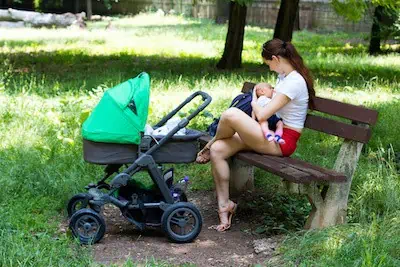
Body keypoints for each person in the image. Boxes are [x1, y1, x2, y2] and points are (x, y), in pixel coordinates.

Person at [195, 38, 315, 232]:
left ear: (276, 59)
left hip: (281, 141)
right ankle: (225, 206)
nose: (269, 68)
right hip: (268, 132)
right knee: (218, 150)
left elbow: (262, 114)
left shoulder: (294, 82)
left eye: (268, 63)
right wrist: (258, 103)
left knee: (230, 114)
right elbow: (262, 113)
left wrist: (254, 101)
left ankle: (210, 143)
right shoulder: (284, 78)